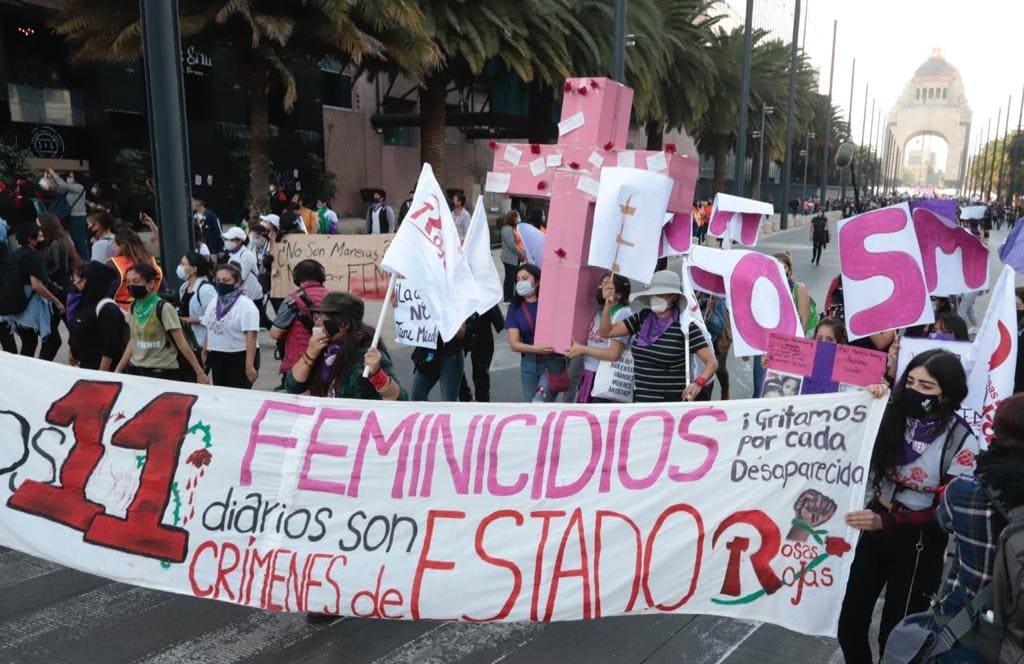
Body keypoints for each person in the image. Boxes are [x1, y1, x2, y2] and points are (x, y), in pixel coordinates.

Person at [838, 349, 978, 662]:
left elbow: (948, 512)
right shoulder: (890, 414)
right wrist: (866, 401)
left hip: (919, 541)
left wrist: (888, 522)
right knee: (848, 622)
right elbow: (841, 428)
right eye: (911, 381)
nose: (915, 391)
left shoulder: (961, 440)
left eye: (927, 387)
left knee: (896, 633)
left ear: (947, 394)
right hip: (874, 527)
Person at [599, 270, 717, 403]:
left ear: (674, 297)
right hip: (641, 402)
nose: (656, 297)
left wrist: (698, 383)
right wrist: (608, 304)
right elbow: (606, 332)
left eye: (662, 294)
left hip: (671, 407)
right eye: (654, 293)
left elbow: (712, 362)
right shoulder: (642, 318)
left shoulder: (685, 327)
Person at [283, 291, 406, 401]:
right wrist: (309, 354)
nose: (317, 323)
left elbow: (400, 399)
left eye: (323, 317)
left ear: (343, 325)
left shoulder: (367, 353)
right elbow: (292, 386)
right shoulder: (322, 349)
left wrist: (377, 374)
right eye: (317, 316)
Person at [114, 263, 208, 383]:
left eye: (136, 281)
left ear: (151, 283)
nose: (131, 286)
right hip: (137, 370)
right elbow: (134, 340)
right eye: (128, 282)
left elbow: (182, 343)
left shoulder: (163, 308)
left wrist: (199, 372)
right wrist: (119, 369)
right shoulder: (134, 306)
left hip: (162, 372)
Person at [0, 221, 65, 356]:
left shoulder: (15, 254)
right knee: (53, 341)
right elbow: (37, 285)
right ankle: (40, 369)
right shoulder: (34, 258)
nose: (42, 238)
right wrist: (57, 302)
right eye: (40, 236)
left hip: (17, 308)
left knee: (29, 342)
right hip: (32, 309)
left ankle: (26, 371)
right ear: (31, 239)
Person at [505, 263, 566, 402]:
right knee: (531, 409)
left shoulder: (552, 302)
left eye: (525, 278)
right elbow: (514, 344)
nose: (521, 282)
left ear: (537, 281)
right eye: (518, 279)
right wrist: (535, 348)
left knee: (539, 402)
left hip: (553, 361)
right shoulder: (514, 308)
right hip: (529, 364)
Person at [567, 274, 632, 403]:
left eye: (609, 284)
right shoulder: (601, 310)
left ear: (619, 293)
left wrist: (583, 350)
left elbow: (614, 354)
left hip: (605, 378)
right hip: (590, 373)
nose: (603, 286)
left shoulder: (622, 314)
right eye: (602, 283)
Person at [270, 259, 329, 385]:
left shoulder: (292, 300)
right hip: (329, 360)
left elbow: (275, 334)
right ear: (321, 277)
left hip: (299, 362)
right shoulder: (333, 297)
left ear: (297, 279)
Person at [201, 263, 259, 389]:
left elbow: (251, 336)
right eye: (218, 280)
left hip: (239, 356)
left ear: (237, 282)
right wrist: (204, 350)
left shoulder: (246, 305)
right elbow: (209, 328)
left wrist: (249, 365)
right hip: (218, 355)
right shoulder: (214, 301)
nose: (221, 283)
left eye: (226, 281)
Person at [66, 261, 127, 371]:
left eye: (80, 280)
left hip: (100, 372)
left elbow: (110, 346)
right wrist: (72, 351)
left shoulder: (107, 308)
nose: (76, 283)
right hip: (84, 367)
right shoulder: (83, 302)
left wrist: (101, 375)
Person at [37, 213, 81, 361]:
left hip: (59, 293)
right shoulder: (62, 242)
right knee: (61, 336)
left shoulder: (56, 245)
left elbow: (56, 271)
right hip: (63, 292)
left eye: (39, 225)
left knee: (54, 339)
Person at [109, 226, 162, 311]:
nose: (113, 246)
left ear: (122, 245)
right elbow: (162, 286)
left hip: (121, 310)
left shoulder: (113, 264)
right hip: (150, 308)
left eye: (115, 243)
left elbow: (105, 292)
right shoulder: (150, 260)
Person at [458, 305, 504, 403]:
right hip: (461, 334)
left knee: (481, 371)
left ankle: (482, 401)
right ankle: (465, 396)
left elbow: (500, 323)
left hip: (482, 335)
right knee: (455, 366)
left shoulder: (485, 294)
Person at [176, 251, 217, 352]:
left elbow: (214, 318)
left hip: (202, 343)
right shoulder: (184, 287)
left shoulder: (205, 289)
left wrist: (188, 320)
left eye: (183, 264)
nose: (179, 267)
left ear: (194, 269)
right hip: (188, 341)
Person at [45, 169, 89, 260]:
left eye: (71, 177)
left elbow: (63, 185)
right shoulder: (70, 188)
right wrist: (49, 179)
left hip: (78, 217)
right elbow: (58, 188)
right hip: (70, 216)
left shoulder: (79, 187)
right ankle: (79, 259)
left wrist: (53, 173)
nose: (68, 178)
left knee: (79, 241)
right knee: (74, 239)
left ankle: (86, 261)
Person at [222, 227, 264, 307]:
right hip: (241, 294)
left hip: (252, 294)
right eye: (226, 239)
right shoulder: (232, 255)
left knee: (260, 318)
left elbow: (242, 277)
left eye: (230, 240)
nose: (227, 242)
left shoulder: (245, 254)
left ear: (239, 241)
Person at [499, 210, 524, 303]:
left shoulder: (513, 228)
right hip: (509, 257)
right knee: (510, 278)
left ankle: (511, 296)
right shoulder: (507, 229)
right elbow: (511, 245)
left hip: (515, 257)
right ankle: (508, 298)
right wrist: (520, 253)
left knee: (513, 277)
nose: (518, 218)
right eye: (517, 217)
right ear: (512, 218)